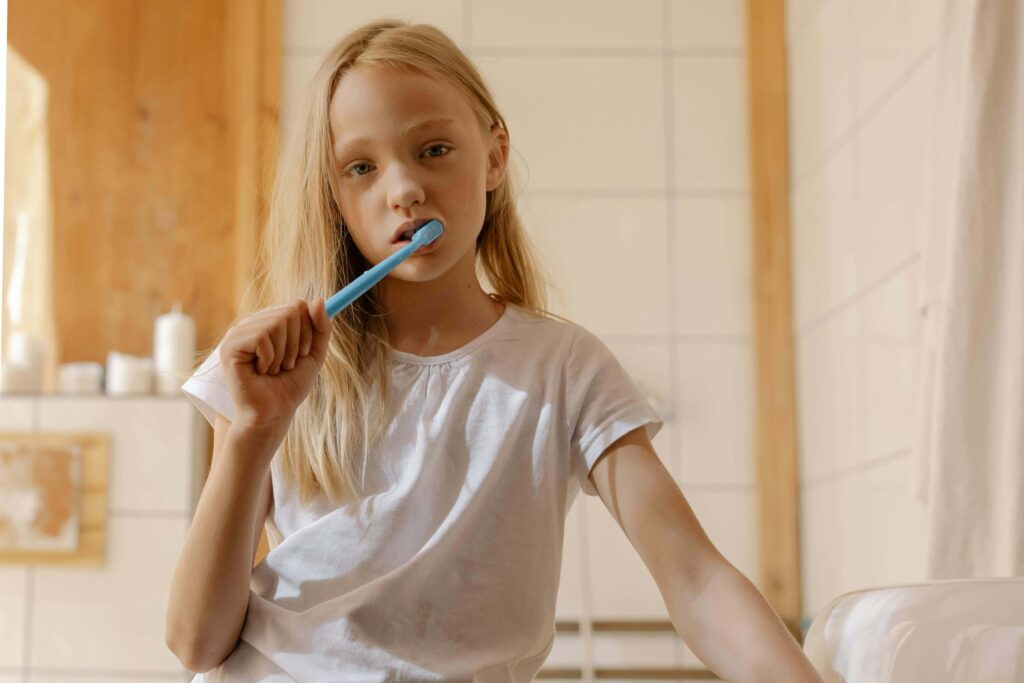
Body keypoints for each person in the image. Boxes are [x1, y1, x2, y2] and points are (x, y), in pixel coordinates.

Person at [164, 19, 823, 683]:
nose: (404, 190)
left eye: (434, 149)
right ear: (333, 196)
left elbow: (695, 580)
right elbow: (196, 642)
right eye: (360, 167)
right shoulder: (270, 371)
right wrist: (253, 431)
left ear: (495, 155)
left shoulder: (565, 367)